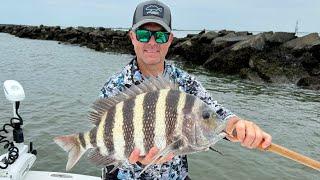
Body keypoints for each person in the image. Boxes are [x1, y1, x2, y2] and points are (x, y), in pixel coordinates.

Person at [100, 0, 272, 179]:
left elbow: (216, 115)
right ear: (132, 37)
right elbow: (105, 148)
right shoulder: (114, 87)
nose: (152, 42)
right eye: (144, 35)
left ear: (170, 40)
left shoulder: (185, 83)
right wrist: (135, 160)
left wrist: (239, 126)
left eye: (160, 36)